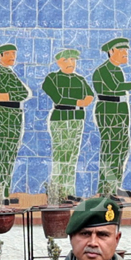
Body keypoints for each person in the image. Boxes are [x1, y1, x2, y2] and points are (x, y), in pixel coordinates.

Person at [92, 38, 131, 192]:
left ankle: (115, 185)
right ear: (111, 51)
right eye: (122, 51)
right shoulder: (103, 70)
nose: (126, 54)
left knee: (122, 147)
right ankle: (106, 188)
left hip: (120, 108)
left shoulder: (117, 70)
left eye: (126, 51)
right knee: (110, 148)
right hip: (108, 108)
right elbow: (115, 87)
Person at [42, 48, 95, 197]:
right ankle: (56, 191)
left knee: (72, 156)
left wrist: (82, 102)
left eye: (73, 60)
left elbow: (90, 96)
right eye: (66, 60)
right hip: (60, 118)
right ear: (59, 62)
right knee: (61, 155)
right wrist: (79, 101)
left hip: (77, 118)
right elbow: (58, 98)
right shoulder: (52, 78)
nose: (71, 63)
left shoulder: (79, 79)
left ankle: (68, 191)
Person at [0, 43, 31, 198]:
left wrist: (10, 94)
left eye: (14, 53)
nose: (13, 57)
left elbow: (24, 93)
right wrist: (12, 94)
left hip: (15, 114)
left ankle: (5, 191)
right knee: (0, 152)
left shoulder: (9, 72)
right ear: (0, 56)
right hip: (2, 112)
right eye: (9, 54)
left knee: (10, 153)